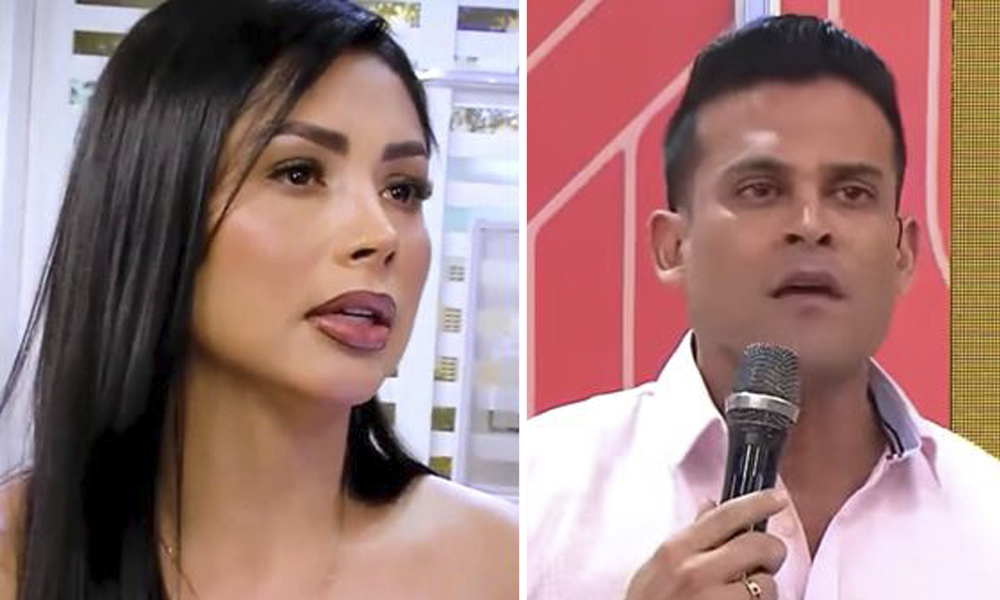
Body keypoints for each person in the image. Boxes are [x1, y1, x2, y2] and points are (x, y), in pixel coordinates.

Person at [0, 1, 517, 598]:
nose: (380, 234)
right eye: (299, 173)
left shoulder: (500, 564)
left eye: (402, 189)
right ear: (152, 204)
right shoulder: (17, 560)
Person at [527, 15, 1000, 600]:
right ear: (673, 246)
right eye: (761, 190)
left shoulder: (989, 520)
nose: (811, 225)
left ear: (902, 253)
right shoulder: (541, 496)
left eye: (852, 193)